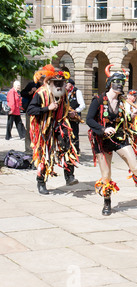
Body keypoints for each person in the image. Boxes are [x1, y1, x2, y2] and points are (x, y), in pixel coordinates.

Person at [86, 64, 137, 216]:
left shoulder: (123, 102)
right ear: (110, 84)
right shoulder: (99, 100)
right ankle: (107, 202)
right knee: (106, 175)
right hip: (102, 140)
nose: (120, 85)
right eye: (117, 82)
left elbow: (126, 119)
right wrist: (103, 129)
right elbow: (89, 120)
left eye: (122, 82)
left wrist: (136, 114)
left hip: (119, 138)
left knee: (135, 167)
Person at [27, 65, 79, 194]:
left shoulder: (63, 93)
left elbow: (66, 107)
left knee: (67, 147)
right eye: (57, 83)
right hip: (44, 129)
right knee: (45, 155)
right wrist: (47, 108)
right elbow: (30, 110)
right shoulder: (40, 93)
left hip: (60, 124)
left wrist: (71, 113)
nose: (59, 85)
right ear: (49, 82)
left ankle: (69, 176)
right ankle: (41, 182)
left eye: (61, 82)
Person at [66, 78, 86, 162]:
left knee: (74, 134)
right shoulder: (64, 92)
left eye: (66, 84)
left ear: (71, 84)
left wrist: (75, 111)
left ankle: (75, 152)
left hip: (74, 117)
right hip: (65, 117)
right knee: (65, 134)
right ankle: (66, 151)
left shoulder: (77, 92)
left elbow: (82, 105)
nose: (65, 85)